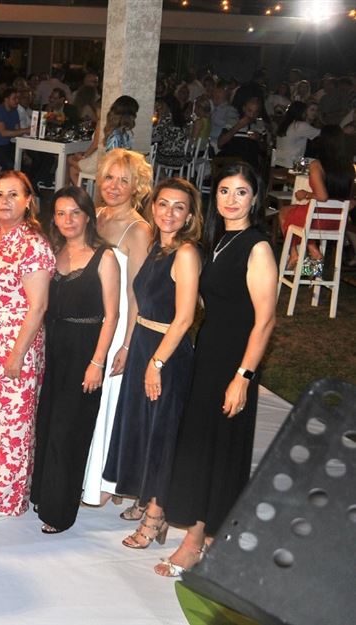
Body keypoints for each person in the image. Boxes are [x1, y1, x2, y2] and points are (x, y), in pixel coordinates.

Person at [160, 163, 277, 577]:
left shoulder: (257, 247)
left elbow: (265, 321)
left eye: (241, 192)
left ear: (254, 199)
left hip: (235, 359)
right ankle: (209, 536)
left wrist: (243, 377)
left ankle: (196, 541)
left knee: (220, 447)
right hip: (209, 352)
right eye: (224, 190)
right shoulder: (217, 242)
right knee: (203, 443)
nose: (231, 199)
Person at [103, 177, 202, 550]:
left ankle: (156, 517)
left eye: (179, 207)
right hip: (144, 343)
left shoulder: (185, 254)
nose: (169, 213)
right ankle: (146, 498)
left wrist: (156, 363)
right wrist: (131, 347)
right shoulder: (158, 248)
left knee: (161, 434)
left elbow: (185, 317)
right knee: (143, 428)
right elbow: (140, 303)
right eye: (163, 204)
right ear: (153, 206)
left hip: (167, 353)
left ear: (190, 215)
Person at [29, 186, 120, 533]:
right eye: (60, 213)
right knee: (48, 424)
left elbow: (112, 316)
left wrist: (97, 362)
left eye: (75, 213)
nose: (68, 220)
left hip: (84, 350)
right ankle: (43, 495)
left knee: (69, 432)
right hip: (53, 347)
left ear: (88, 217)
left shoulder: (104, 258)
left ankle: (60, 512)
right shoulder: (53, 253)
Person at [0, 170, 55, 520]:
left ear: (28, 201)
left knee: (10, 425)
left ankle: (6, 499)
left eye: (13, 194)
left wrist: (17, 355)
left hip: (14, 348)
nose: (5, 201)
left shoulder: (34, 244)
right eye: (0, 194)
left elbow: (39, 306)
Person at [81, 148, 153, 508]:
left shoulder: (139, 230)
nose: (113, 185)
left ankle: (105, 481)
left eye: (124, 180)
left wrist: (127, 344)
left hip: (120, 320)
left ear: (136, 187)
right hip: (91, 318)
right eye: (109, 177)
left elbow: (137, 292)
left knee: (109, 399)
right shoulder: (95, 215)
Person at [278, 125, 355, 265]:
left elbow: (322, 196)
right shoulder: (349, 167)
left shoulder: (317, 165)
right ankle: (314, 264)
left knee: (285, 213)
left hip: (317, 218)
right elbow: (350, 200)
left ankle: (295, 253)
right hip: (337, 221)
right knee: (297, 217)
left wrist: (305, 194)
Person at [69, 95, 138, 185]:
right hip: (120, 167)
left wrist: (84, 156)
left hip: (110, 168)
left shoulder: (114, 134)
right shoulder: (125, 132)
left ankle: (80, 192)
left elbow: (109, 157)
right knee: (73, 167)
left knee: (70, 160)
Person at [0, 88, 30, 171]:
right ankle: (3, 179)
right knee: (10, 164)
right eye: (14, 98)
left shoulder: (14, 111)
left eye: (18, 98)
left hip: (5, 145)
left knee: (28, 160)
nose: (17, 101)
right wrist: (25, 130)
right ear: (6, 99)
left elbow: (17, 131)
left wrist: (24, 151)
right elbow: (3, 133)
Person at [273, 101, 322, 169]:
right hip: (291, 164)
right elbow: (323, 134)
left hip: (278, 163)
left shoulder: (285, 124)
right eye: (311, 110)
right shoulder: (299, 125)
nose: (315, 113)